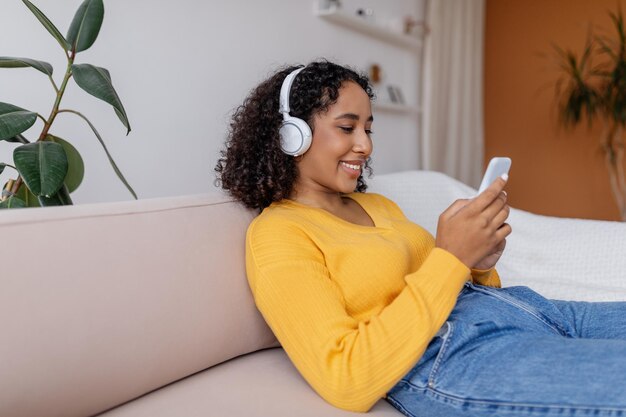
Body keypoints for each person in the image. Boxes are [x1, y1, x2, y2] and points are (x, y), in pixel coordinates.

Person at [215, 60, 626, 417]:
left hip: (525, 309)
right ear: (292, 135)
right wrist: (451, 256)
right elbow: (345, 377)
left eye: (368, 128)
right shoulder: (278, 234)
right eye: (347, 127)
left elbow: (447, 282)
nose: (365, 145)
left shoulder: (377, 205)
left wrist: (479, 264)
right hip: (456, 355)